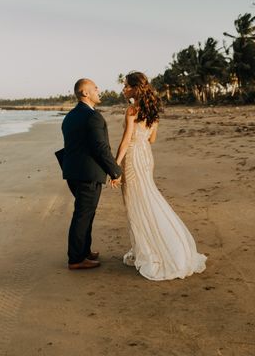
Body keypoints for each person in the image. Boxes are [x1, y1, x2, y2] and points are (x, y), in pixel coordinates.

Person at [115, 71, 206, 280]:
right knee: (147, 196)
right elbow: (152, 139)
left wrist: (115, 166)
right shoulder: (153, 110)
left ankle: (150, 249)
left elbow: (126, 140)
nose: (123, 89)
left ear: (135, 88)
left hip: (133, 157)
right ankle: (151, 247)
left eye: (126, 85)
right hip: (146, 156)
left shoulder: (131, 110)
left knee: (136, 201)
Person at [58, 78, 122, 270]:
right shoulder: (92, 117)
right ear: (85, 93)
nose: (98, 90)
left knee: (86, 213)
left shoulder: (70, 116)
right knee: (83, 215)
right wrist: (115, 171)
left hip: (72, 171)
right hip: (87, 173)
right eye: (95, 88)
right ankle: (76, 259)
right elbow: (100, 148)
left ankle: (84, 251)